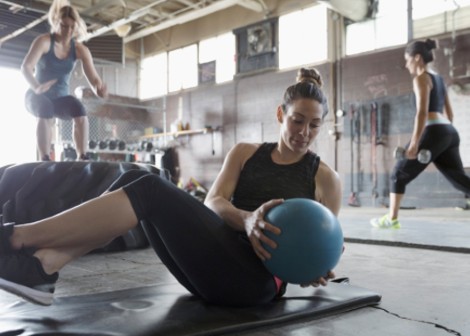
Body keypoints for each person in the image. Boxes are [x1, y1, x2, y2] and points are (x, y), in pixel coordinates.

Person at [0, 67, 342, 307]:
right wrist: (247, 220)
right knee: (137, 177)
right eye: (298, 120)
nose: (304, 132)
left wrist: (314, 269)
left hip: (256, 283)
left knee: (149, 188)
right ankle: (45, 265)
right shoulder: (245, 153)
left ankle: (18, 238)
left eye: (314, 125)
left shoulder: (325, 178)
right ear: (281, 114)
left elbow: (323, 249)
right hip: (212, 258)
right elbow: (213, 203)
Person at [371, 38, 470, 229]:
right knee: (458, 179)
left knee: (398, 174)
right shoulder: (439, 78)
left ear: (417, 58)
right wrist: (445, 135)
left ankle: (391, 219)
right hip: (449, 131)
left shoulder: (421, 78)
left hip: (434, 130)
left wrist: (415, 142)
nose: (407, 65)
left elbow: (422, 112)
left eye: (408, 60)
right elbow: (449, 112)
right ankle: (391, 218)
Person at [21, 0, 107, 161]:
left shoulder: (80, 49)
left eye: (72, 27)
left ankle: (82, 156)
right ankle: (45, 157)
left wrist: (99, 89)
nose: (68, 31)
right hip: (36, 96)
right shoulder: (44, 41)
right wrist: (36, 86)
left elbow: (94, 79)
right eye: (63, 26)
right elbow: (26, 67)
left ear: (76, 27)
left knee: (79, 110)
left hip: (60, 99)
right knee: (44, 108)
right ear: (56, 23)